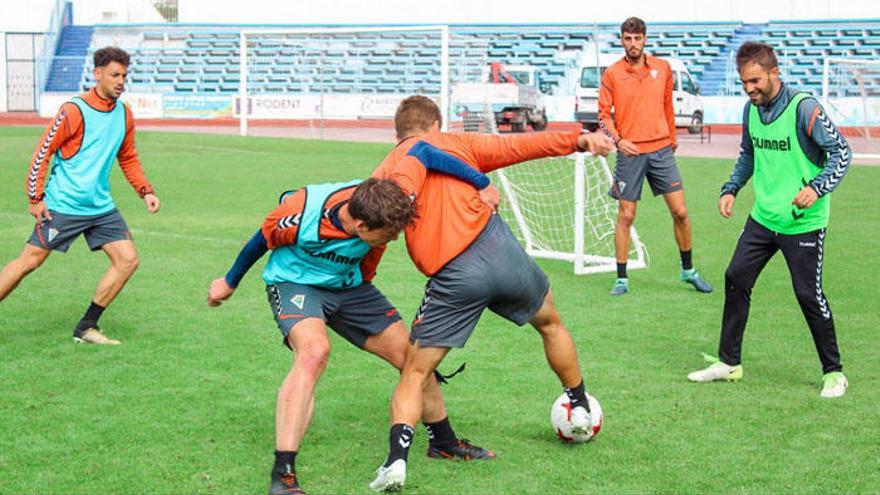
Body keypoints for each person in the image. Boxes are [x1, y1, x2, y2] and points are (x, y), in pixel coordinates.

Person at [368, 95, 614, 492]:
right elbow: (521, 146)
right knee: (550, 323)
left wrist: (367, 273)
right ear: (437, 124)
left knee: (415, 371)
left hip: (453, 276)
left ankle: (396, 462)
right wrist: (579, 140)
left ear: (397, 134)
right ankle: (580, 404)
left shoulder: (387, 169)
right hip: (499, 250)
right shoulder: (458, 144)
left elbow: (376, 231)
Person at [208, 175, 499, 495]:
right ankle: (284, 474)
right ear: (360, 225)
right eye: (385, 235)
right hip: (295, 283)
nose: (391, 240)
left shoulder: (381, 202)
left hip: (350, 287)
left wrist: (479, 186)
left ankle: (443, 442)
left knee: (413, 357)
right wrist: (230, 281)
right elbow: (261, 240)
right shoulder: (301, 214)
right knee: (314, 352)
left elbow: (425, 155)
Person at [687, 42, 851, 398]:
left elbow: (842, 151)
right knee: (735, 278)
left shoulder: (804, 108)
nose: (749, 88)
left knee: (808, 294)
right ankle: (730, 362)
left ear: (774, 73)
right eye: (744, 82)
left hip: (802, 221)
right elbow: (748, 154)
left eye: (755, 81)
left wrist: (818, 188)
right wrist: (731, 188)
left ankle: (834, 372)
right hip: (764, 218)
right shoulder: (751, 110)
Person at [0, 46, 160, 344]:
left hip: (100, 207)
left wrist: (145, 191)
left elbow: (128, 157)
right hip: (64, 205)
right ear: (97, 74)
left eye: (124, 75)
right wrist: (35, 197)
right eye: (114, 75)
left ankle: (87, 327)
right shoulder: (74, 110)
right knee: (29, 261)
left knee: (128, 260)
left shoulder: (124, 113)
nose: (120, 81)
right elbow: (42, 152)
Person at [598, 16, 712, 296]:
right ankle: (622, 279)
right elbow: (603, 116)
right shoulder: (612, 73)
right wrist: (619, 141)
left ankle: (688, 271)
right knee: (626, 215)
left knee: (681, 212)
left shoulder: (662, 68)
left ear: (645, 39)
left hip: (661, 150)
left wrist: (672, 138)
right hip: (631, 153)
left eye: (637, 38)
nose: (633, 44)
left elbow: (667, 106)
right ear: (622, 40)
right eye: (627, 38)